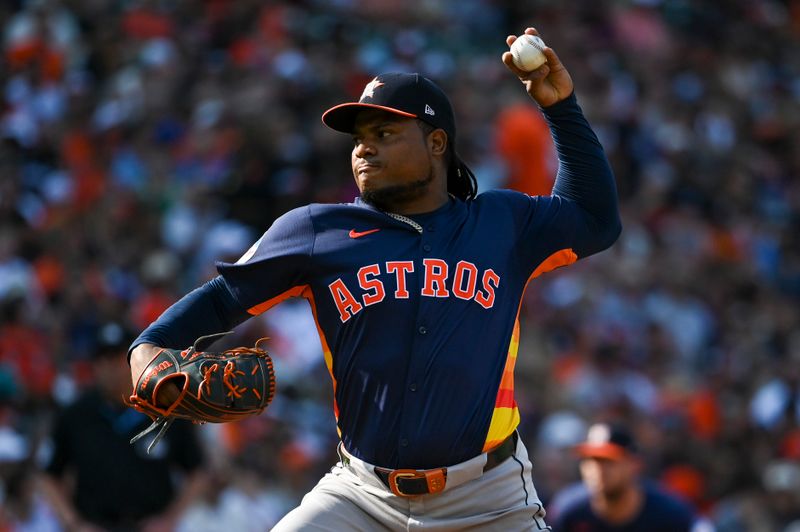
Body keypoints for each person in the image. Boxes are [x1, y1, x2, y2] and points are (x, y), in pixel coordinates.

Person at [128, 27, 621, 530]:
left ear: (436, 143)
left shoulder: (500, 223)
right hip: (362, 495)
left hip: (488, 500)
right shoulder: (318, 230)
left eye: (384, 134)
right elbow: (219, 301)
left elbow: (595, 219)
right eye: (360, 138)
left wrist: (561, 108)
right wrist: (147, 350)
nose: (364, 149)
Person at [41, 321, 207, 532]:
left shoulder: (166, 409)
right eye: (104, 359)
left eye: (119, 358)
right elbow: (48, 476)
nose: (112, 367)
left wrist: (170, 518)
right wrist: (74, 523)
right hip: (97, 524)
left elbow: (197, 471)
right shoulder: (76, 414)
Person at [548, 422, 707, 532]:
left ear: (634, 464)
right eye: (591, 460)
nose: (597, 469)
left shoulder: (671, 514)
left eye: (608, 461)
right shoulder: (568, 510)